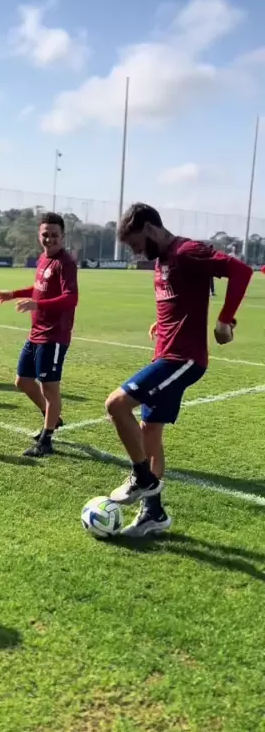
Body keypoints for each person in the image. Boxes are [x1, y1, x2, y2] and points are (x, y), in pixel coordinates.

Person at [105, 202, 253, 537]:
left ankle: (141, 478)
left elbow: (241, 271)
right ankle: (153, 514)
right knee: (150, 433)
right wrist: (162, 323)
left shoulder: (187, 252)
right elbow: (180, 298)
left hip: (183, 358)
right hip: (165, 354)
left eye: (135, 243)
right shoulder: (162, 260)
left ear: (149, 228)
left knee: (116, 405)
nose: (136, 252)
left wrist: (225, 319)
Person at [0, 212, 78, 457]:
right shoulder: (43, 259)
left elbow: (71, 298)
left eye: (54, 235)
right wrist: (14, 294)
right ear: (39, 235)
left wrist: (37, 304)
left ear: (63, 236)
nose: (49, 239)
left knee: (50, 388)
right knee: (23, 381)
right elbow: (39, 289)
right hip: (36, 333)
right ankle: (51, 418)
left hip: (54, 335)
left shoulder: (65, 263)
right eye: (45, 234)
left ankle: (46, 441)